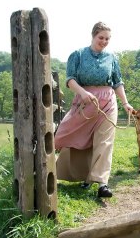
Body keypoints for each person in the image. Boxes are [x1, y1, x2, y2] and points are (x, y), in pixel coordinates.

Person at [54, 21, 133, 198]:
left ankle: (102, 184)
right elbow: (70, 80)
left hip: (107, 103)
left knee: (104, 141)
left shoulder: (112, 58)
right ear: (93, 35)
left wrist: (126, 103)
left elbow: (117, 82)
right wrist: (82, 92)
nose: (104, 41)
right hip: (84, 102)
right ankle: (52, 170)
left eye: (107, 38)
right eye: (101, 37)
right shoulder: (78, 55)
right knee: (66, 135)